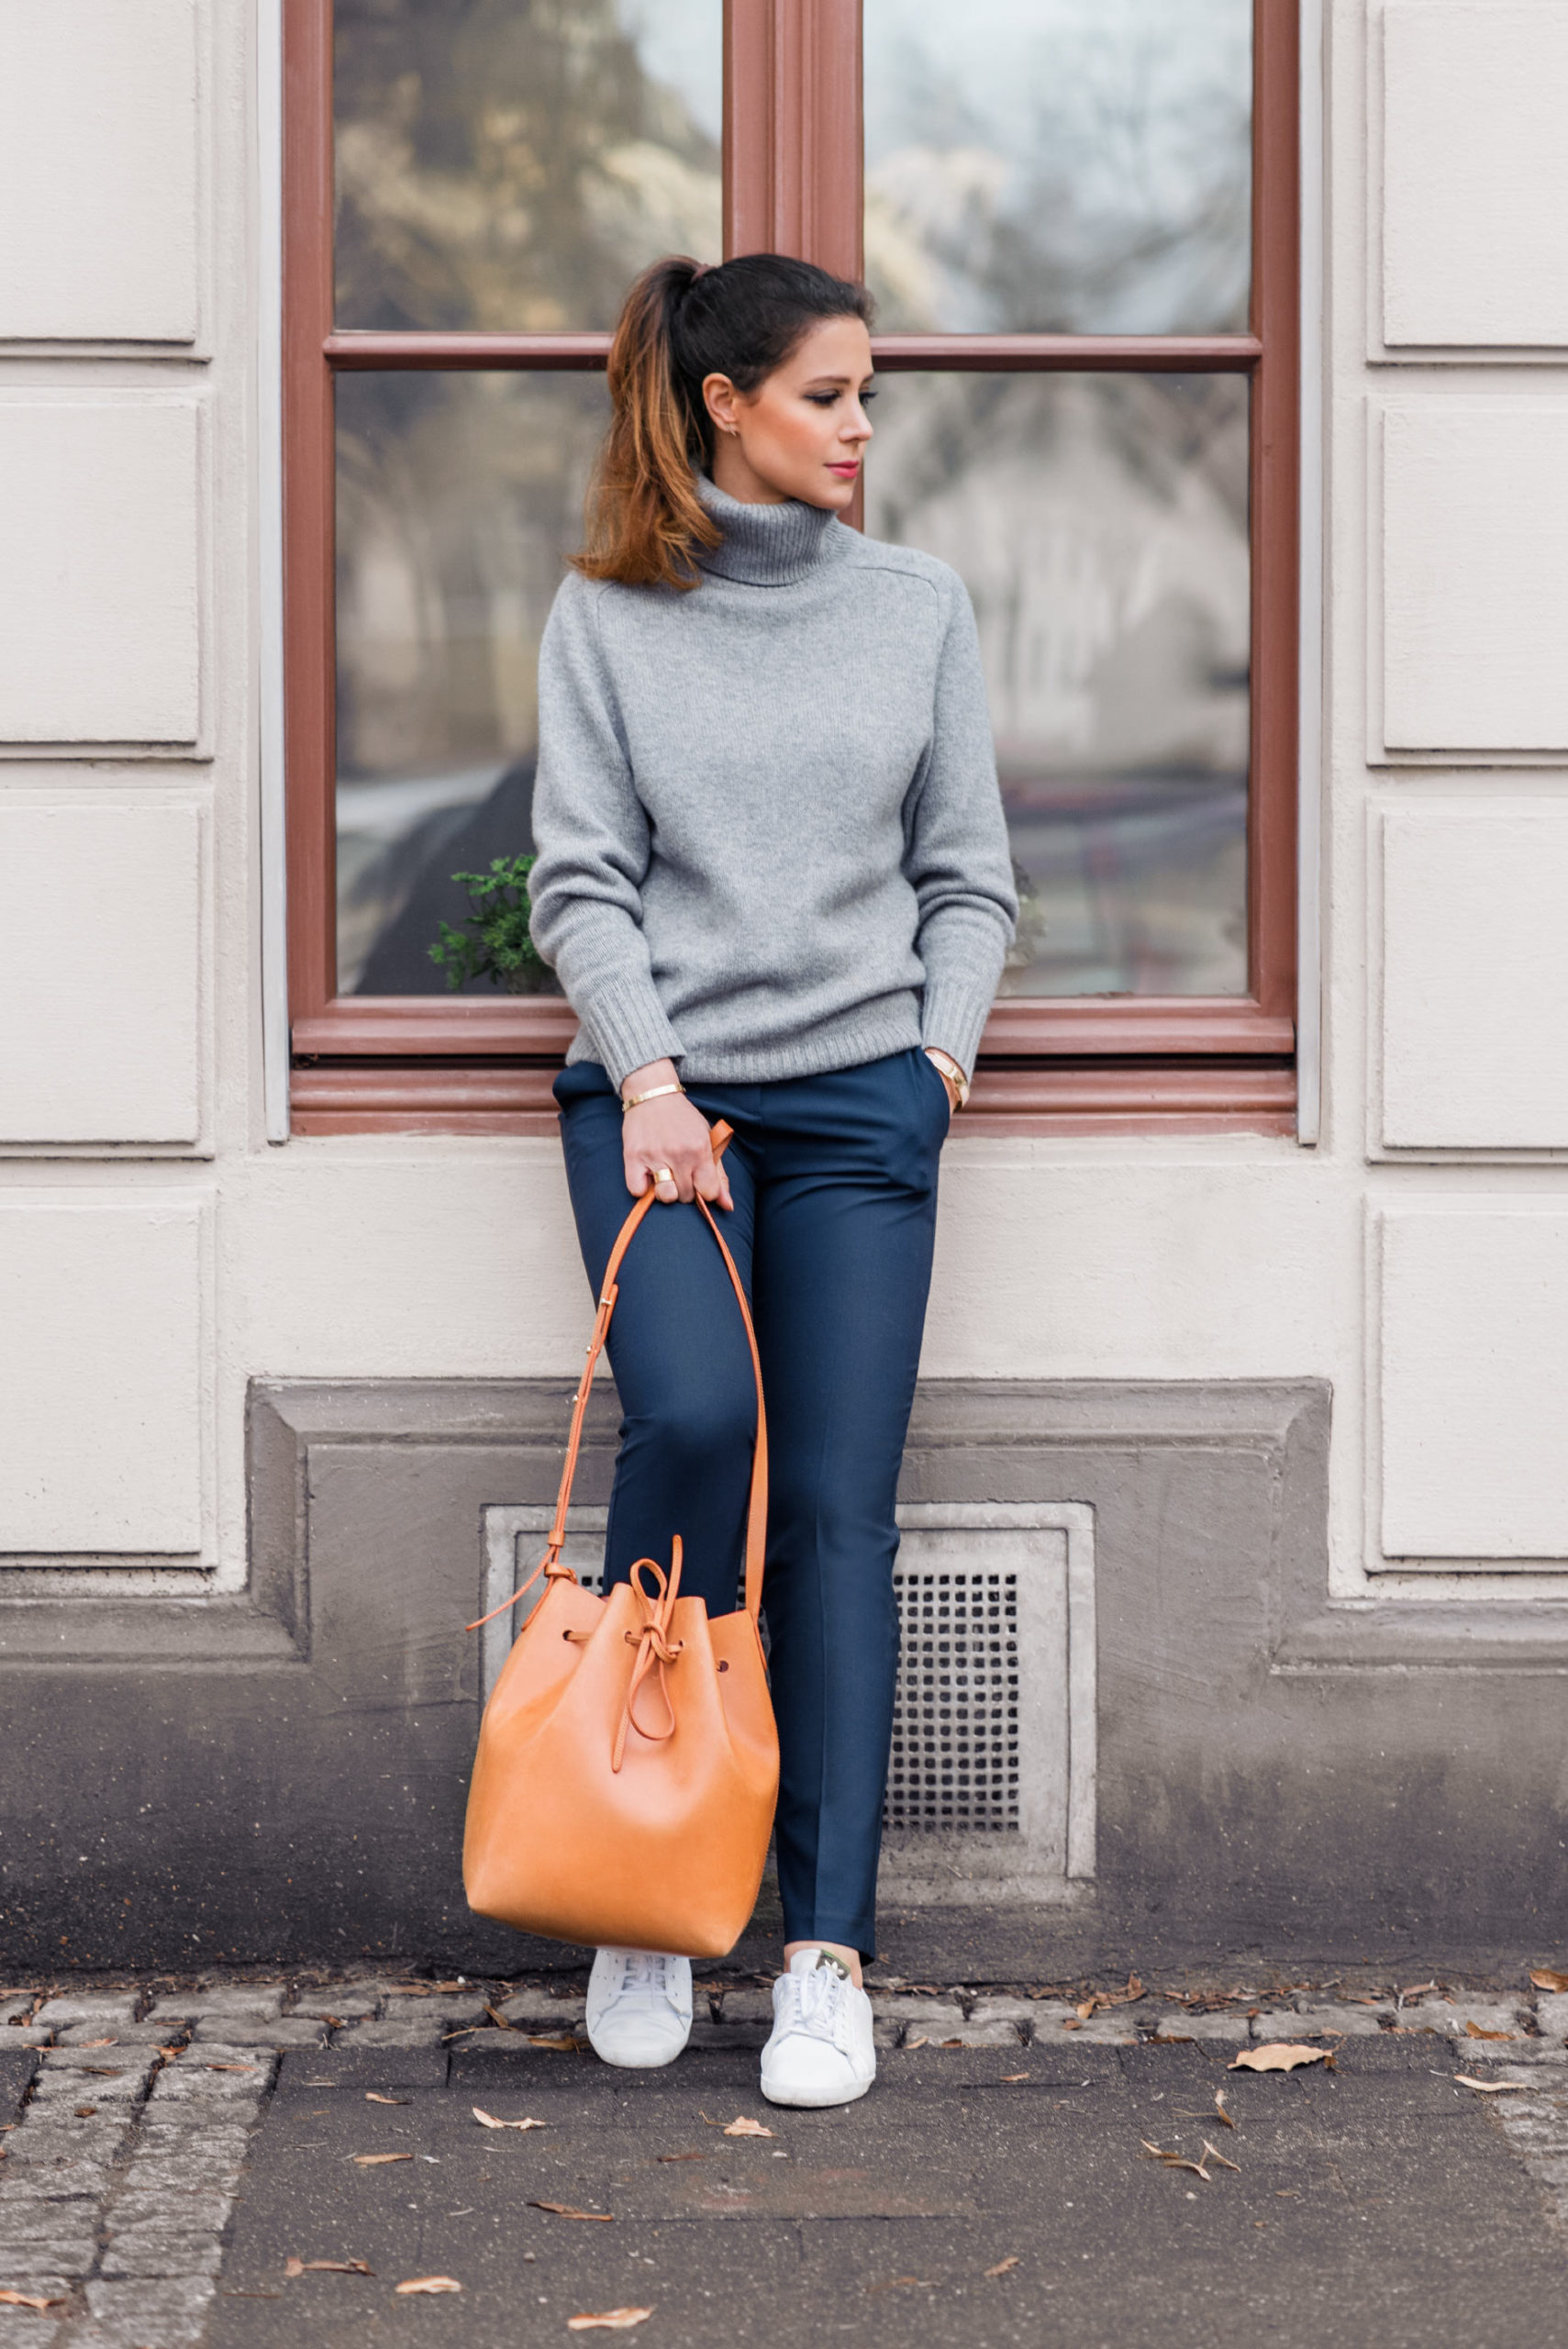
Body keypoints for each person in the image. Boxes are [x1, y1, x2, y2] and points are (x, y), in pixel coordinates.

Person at [528, 251, 1017, 2109]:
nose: (863, 429)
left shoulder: (918, 606)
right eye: (831, 396)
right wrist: (648, 1074)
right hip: (663, 1108)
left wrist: (938, 1063)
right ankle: (647, 1876)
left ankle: (824, 1947)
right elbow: (581, 877)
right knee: (693, 1421)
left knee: (830, 1510)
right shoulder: (606, 613)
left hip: (861, 1114)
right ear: (726, 402)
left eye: (870, 394)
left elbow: (969, 871)